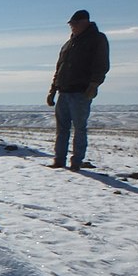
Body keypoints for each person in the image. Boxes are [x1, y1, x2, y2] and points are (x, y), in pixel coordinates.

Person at [47, 9, 110, 170]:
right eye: (71, 25)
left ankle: (76, 162)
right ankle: (59, 160)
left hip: (81, 92)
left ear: (84, 22)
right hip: (64, 91)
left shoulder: (97, 39)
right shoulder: (69, 44)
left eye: (74, 24)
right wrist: (53, 89)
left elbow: (101, 64)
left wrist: (94, 84)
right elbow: (59, 68)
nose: (72, 27)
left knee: (79, 128)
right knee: (62, 129)